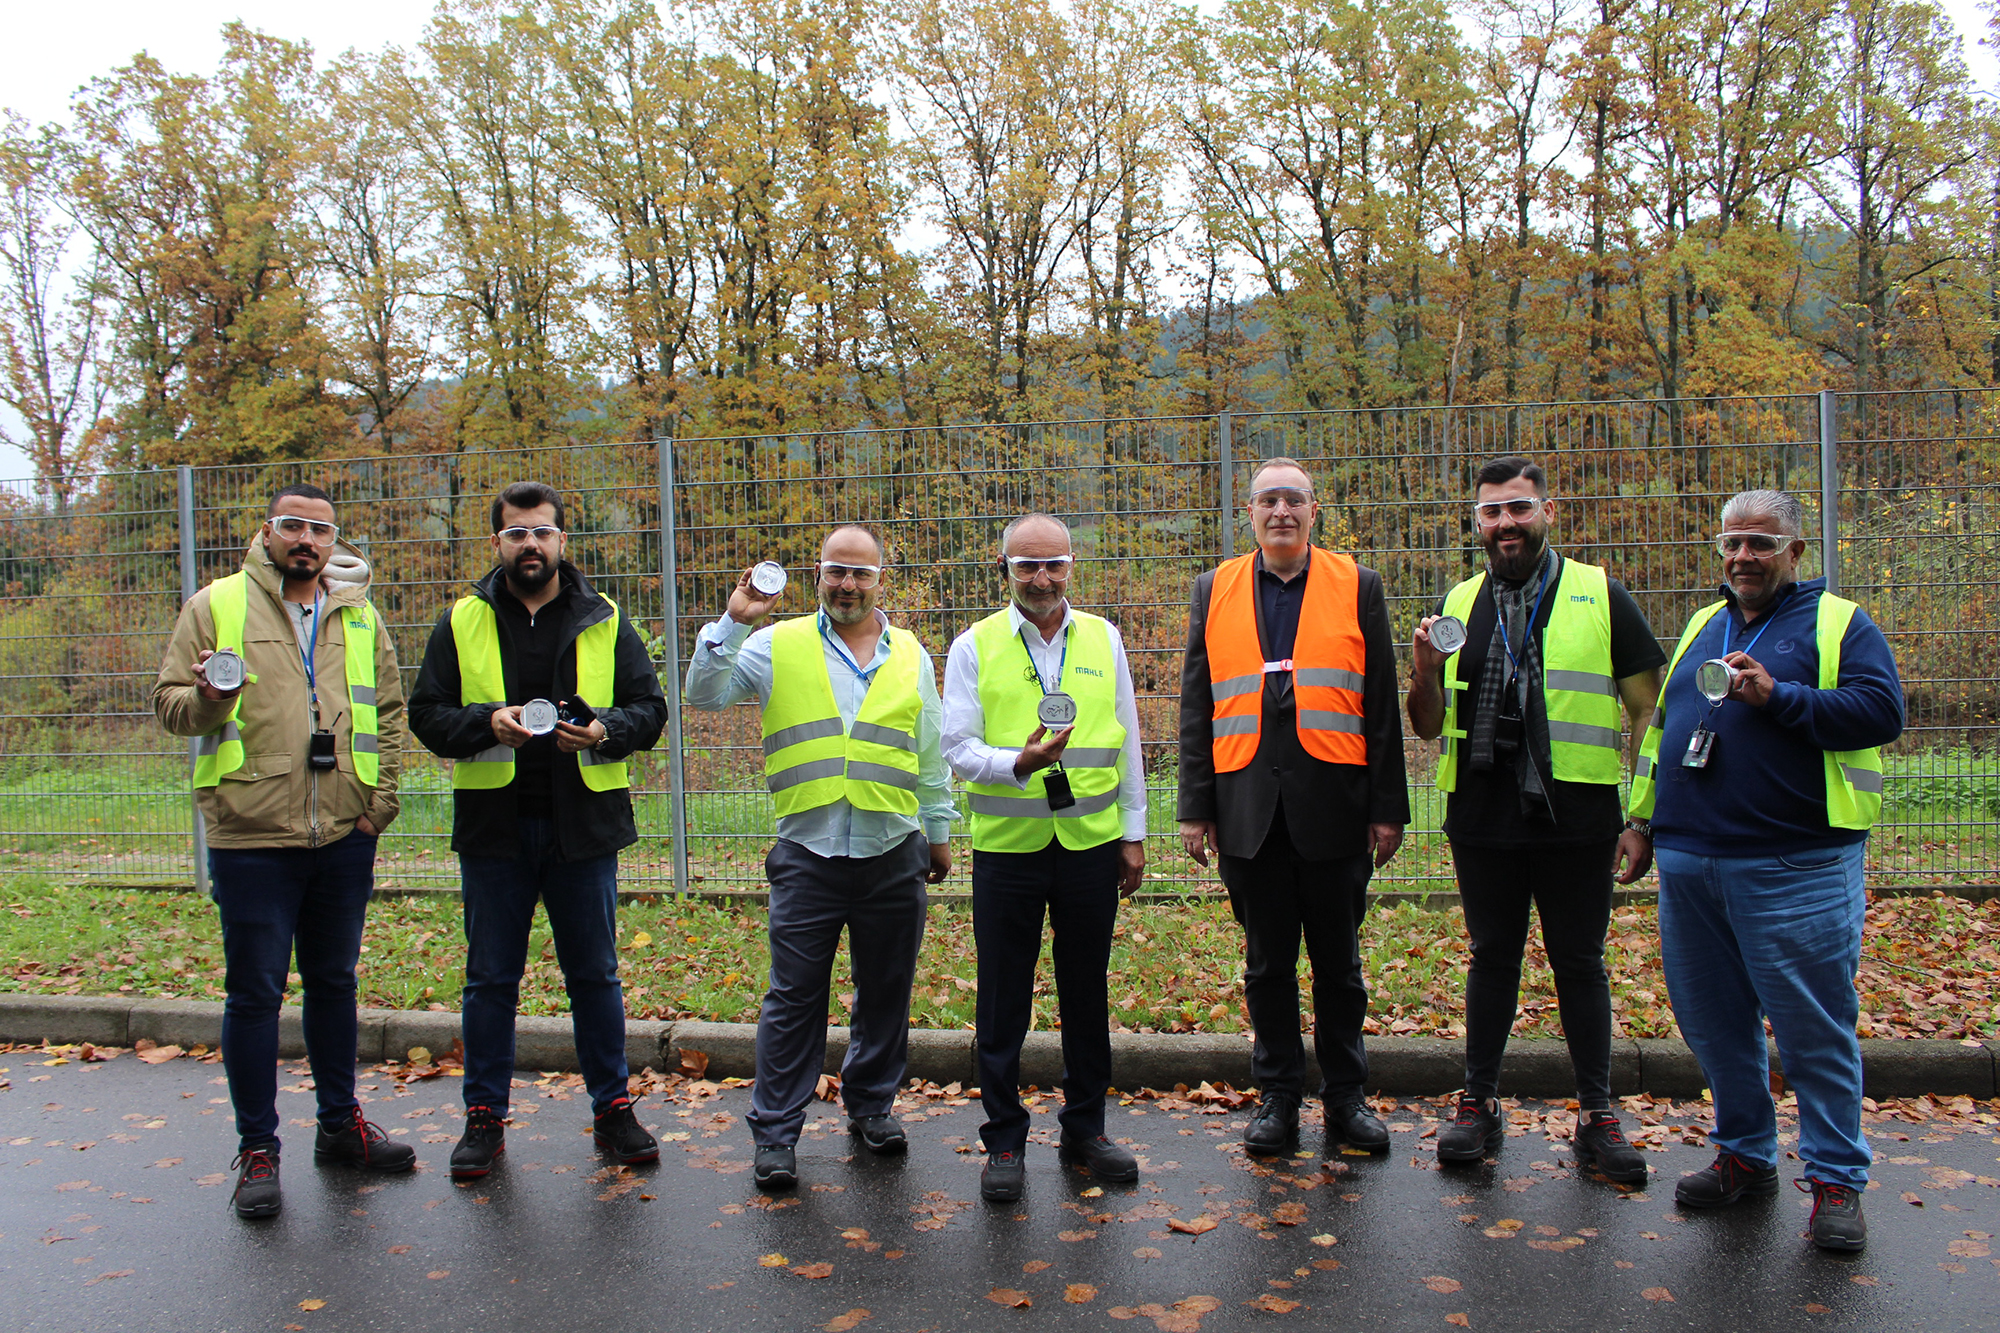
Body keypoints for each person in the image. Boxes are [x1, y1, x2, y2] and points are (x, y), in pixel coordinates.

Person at [1625, 488, 1902, 1253]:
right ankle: (1745, 1154)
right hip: (1691, 865)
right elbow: (1664, 728)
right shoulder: (1703, 624)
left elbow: (1882, 712)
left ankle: (1837, 1179)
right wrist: (1641, 822)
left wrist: (1780, 696)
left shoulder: (1839, 623)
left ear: (1794, 551)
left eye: (1760, 542)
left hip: (1796, 865)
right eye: (1732, 542)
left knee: (1814, 1030)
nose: (1743, 556)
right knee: (1715, 1025)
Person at [153, 482, 410, 1219]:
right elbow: (170, 706)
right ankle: (258, 1149)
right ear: (267, 531)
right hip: (251, 833)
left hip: (344, 834)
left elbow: (389, 712)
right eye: (293, 525)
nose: (307, 539)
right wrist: (209, 699)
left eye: (321, 529)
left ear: (334, 541)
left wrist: (379, 805)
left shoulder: (359, 614)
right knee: (255, 993)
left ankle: (340, 1127)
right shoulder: (216, 605)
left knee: (334, 983)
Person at [1406, 455, 1663, 1182]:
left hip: (1577, 817)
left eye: (1518, 508)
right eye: (1491, 512)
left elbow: (1649, 708)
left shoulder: (1600, 593)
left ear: (1548, 511)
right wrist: (1423, 670)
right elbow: (1425, 725)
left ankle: (1597, 1113)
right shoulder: (1459, 602)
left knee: (1579, 961)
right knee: (1492, 957)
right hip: (1482, 814)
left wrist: (1641, 814)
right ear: (1477, 522)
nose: (1505, 523)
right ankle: (1478, 1102)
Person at [409, 482, 667, 1180]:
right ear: (497, 542)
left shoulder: (604, 617)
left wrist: (604, 730)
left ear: (561, 540)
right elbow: (426, 713)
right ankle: (483, 1118)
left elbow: (650, 708)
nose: (531, 544)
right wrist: (484, 722)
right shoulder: (462, 618)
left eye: (542, 532)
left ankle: (613, 1109)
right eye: (517, 533)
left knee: (596, 976)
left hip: (583, 829)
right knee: (490, 980)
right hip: (495, 830)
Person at [684, 525, 954, 1190]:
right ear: (818, 574)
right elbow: (703, 694)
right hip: (808, 852)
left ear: (880, 579)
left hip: (893, 849)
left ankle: (871, 1107)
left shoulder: (911, 653)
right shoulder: (775, 643)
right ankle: (776, 1132)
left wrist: (939, 831)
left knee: (885, 991)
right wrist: (734, 621)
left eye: (861, 573)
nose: (848, 585)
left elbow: (929, 751)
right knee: (794, 998)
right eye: (837, 571)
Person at [1177, 457, 1410, 1157]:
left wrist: (1388, 807)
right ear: (1249, 512)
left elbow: (1380, 702)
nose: (1281, 511)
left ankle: (1346, 1097)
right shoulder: (1214, 588)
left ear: (1314, 511)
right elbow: (1197, 703)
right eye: (1268, 500)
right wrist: (1195, 807)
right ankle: (1277, 1095)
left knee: (1339, 966)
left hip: (1334, 806)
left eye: (1294, 499)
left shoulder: (1358, 584)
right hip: (1248, 809)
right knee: (1267, 966)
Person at [942, 513, 1148, 1203]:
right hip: (1008, 850)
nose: (1041, 578)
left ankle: (1085, 1130)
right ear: (1003, 567)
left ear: (1071, 566)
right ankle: (1004, 1139)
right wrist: (1019, 763)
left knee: (1086, 992)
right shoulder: (974, 645)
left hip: (1090, 844)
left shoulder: (1104, 637)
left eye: (1053, 564)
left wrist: (1133, 832)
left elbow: (1127, 739)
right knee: (1003, 998)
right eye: (1026, 565)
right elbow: (957, 747)